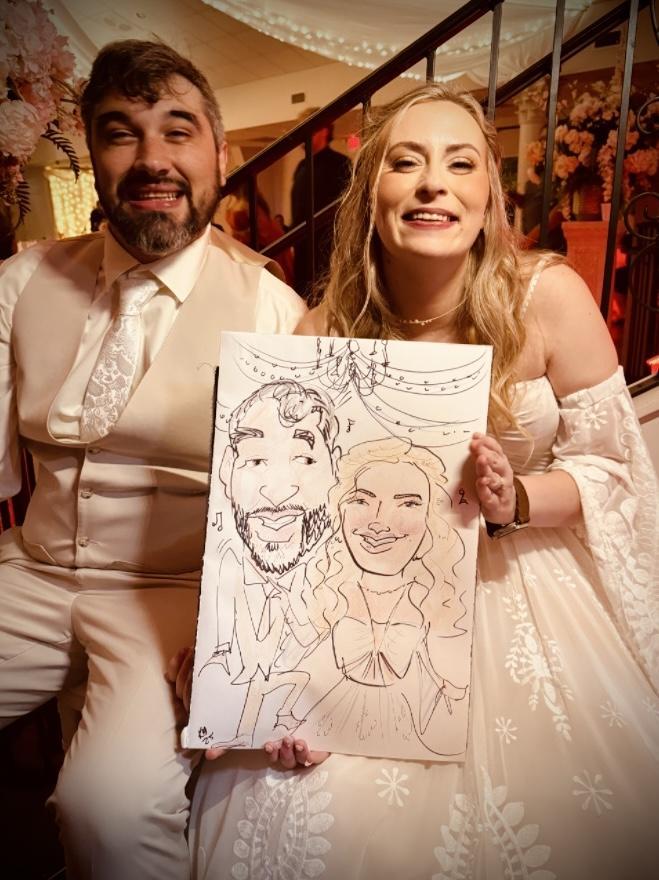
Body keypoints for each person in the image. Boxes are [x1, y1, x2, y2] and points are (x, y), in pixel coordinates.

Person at [186, 83, 659, 879]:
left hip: (525, 596)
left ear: (487, 194)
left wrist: (515, 500)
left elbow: (614, 470)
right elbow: (301, 536)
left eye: (459, 163)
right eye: (405, 163)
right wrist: (295, 695)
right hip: (367, 610)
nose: (433, 183)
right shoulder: (324, 326)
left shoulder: (546, 295)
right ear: (370, 195)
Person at [0, 39, 305, 880]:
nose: (151, 159)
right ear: (95, 157)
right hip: (29, 572)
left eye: (177, 131)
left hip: (173, 594)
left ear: (219, 154)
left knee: (108, 811)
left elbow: (292, 515)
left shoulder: (273, 310)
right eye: (120, 133)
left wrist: (243, 641)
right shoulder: (23, 281)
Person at [303, 436, 468, 758]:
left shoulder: (434, 602)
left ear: (432, 519)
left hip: (413, 746)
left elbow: (448, 698)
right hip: (323, 731)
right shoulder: (325, 594)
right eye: (362, 500)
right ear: (340, 510)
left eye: (408, 504)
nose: (379, 522)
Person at [196, 380, 339, 746]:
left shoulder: (349, 582)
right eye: (256, 460)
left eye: (305, 459)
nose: (276, 492)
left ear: (335, 467)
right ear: (227, 469)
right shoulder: (220, 574)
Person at [290, 112, 353, 298]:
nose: (302, 137)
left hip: (328, 249)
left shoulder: (340, 163)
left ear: (324, 131)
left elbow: (346, 208)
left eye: (307, 130)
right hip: (302, 248)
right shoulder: (301, 166)